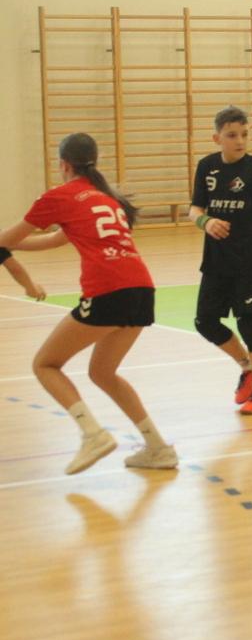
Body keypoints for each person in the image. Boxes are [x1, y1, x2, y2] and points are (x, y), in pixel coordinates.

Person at [0, 133, 176, 474]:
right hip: (141, 289)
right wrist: (12, 243)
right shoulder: (106, 198)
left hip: (108, 290)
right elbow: (54, 240)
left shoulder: (59, 196)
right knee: (102, 373)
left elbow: (8, 240)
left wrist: (11, 248)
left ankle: (93, 434)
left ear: (63, 164)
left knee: (45, 364)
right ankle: (158, 448)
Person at [189, 106, 252, 415]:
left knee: (248, 323)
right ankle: (246, 366)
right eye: (231, 135)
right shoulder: (207, 167)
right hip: (215, 261)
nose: (239, 141)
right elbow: (195, 209)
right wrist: (206, 222)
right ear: (217, 138)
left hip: (248, 262)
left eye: (244, 134)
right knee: (204, 321)